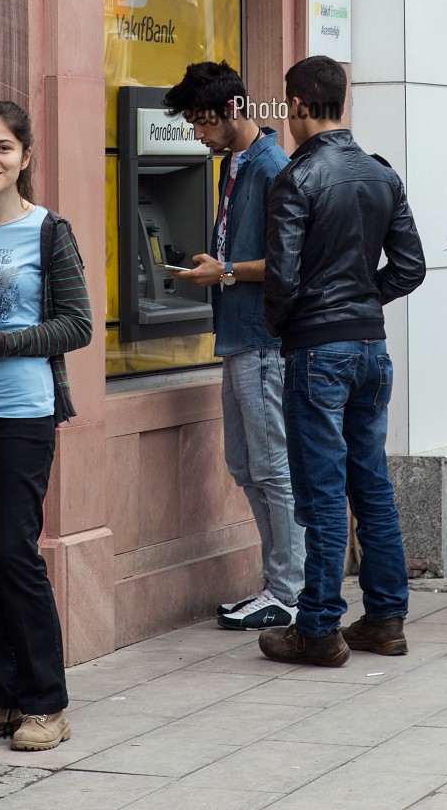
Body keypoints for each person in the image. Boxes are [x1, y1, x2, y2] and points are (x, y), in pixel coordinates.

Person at [259, 56, 425, 667]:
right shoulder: (381, 174)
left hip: (318, 350)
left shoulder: (297, 178)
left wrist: (292, 325)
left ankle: (319, 628)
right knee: (372, 485)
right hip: (370, 349)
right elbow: (409, 268)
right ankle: (384, 619)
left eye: (287, 104)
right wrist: (359, 300)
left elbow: (281, 277)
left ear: (298, 104)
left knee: (323, 492)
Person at [0, 101, 93, 751]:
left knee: (13, 552)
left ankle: (45, 702)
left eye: (3, 148)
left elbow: (77, 325)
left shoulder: (46, 230)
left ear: (25, 157)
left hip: (21, 414)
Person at [163, 62, 304, 630]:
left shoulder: (272, 168)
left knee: (273, 469)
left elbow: (292, 265)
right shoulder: (236, 165)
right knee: (246, 465)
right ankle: (276, 584)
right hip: (240, 337)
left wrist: (224, 273)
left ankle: (289, 591)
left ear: (234, 110)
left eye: (204, 123)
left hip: (264, 339)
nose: (198, 134)